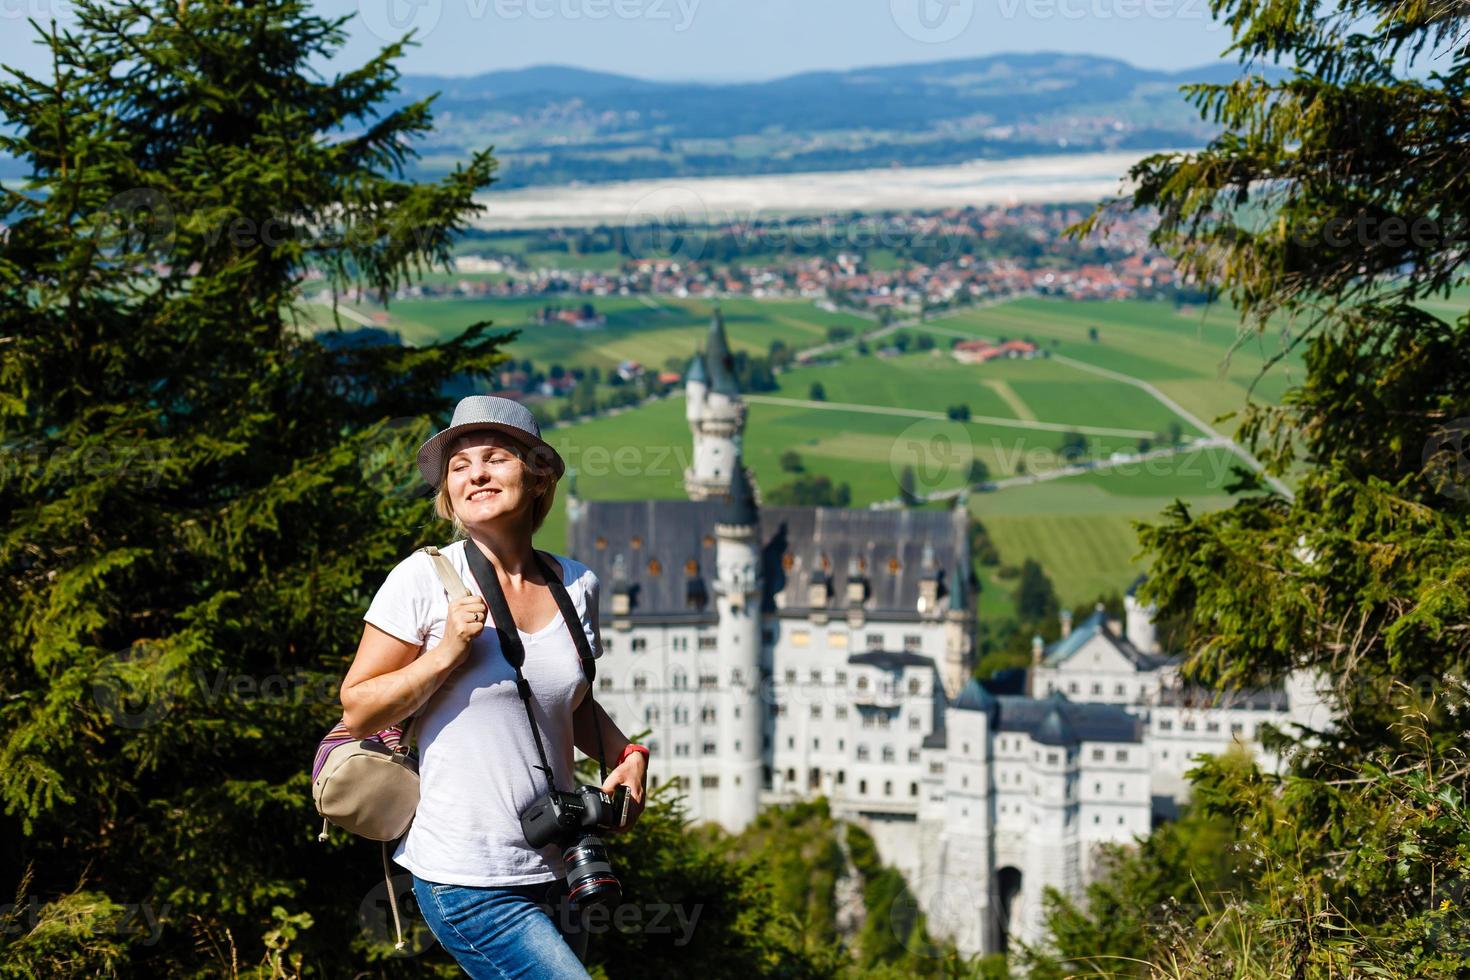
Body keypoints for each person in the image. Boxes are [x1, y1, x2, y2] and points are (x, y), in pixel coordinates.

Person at [339, 396, 649, 979]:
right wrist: (446, 655)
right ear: (449, 494)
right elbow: (357, 708)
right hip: (467, 875)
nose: (476, 473)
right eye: (459, 466)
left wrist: (627, 753)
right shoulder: (421, 580)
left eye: (495, 458)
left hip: (561, 868)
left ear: (536, 478)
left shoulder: (577, 585)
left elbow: (563, 701)